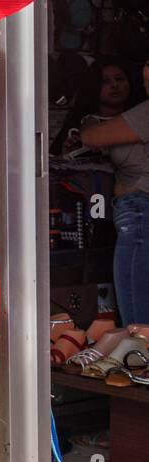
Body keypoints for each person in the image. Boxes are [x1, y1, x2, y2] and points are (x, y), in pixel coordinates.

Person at [78, 57, 149, 324]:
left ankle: (138, 361)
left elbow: (90, 137)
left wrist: (89, 121)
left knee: (138, 316)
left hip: (140, 211)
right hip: (134, 211)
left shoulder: (142, 114)